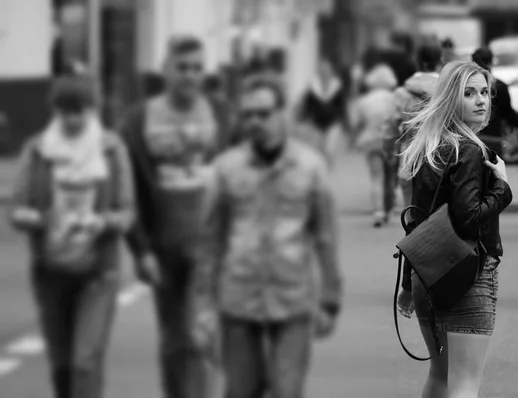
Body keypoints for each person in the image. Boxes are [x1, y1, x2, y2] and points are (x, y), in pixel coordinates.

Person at [198, 76, 343, 398]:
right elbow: (210, 242)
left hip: (292, 298)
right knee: (240, 390)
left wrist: (330, 301)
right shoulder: (226, 169)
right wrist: (203, 309)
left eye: (263, 113)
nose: (254, 122)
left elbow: (325, 237)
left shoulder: (310, 167)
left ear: (283, 114)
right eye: (247, 115)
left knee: (287, 391)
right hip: (238, 298)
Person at [10, 75, 135, 398]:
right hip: (50, 272)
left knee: (85, 362)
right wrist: (42, 219)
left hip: (98, 272)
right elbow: (16, 210)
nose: (72, 119)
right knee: (62, 366)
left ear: (92, 109)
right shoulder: (37, 151)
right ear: (54, 110)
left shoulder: (110, 149)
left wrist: (102, 222)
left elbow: (127, 211)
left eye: (79, 110)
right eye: (65, 111)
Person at [396, 61, 513, 398]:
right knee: (463, 384)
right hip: (467, 275)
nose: (481, 100)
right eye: (469, 93)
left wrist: (407, 283)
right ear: (450, 98)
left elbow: (417, 224)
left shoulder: (429, 146)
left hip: (427, 275)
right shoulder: (470, 150)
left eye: (484, 92)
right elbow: (469, 219)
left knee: (439, 378)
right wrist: (503, 188)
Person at [119, 36, 219, 398]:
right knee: (174, 340)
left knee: (198, 336)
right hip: (164, 248)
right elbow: (127, 191)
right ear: (165, 69)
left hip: (209, 249)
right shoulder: (138, 120)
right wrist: (141, 249)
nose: (190, 76)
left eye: (197, 68)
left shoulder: (219, 113)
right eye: (182, 67)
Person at [393, 40, 443, 214]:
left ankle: (411, 233)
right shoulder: (447, 87)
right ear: (440, 59)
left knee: (409, 198)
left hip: (409, 151)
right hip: (440, 150)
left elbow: (394, 123)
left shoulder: (404, 90)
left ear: (418, 60)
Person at [350, 64, 398, 227]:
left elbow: (356, 123)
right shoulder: (394, 99)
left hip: (370, 140)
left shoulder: (363, 101)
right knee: (390, 177)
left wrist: (354, 139)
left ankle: (377, 212)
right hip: (390, 141)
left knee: (376, 177)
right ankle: (388, 209)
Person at [471, 47, 518, 157]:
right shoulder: (500, 86)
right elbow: (507, 113)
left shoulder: (465, 86)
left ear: (473, 62)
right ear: (491, 62)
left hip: (471, 138)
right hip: (493, 140)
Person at [297, 58, 347, 167]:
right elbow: (307, 104)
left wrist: (344, 121)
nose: (324, 71)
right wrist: (303, 117)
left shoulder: (337, 86)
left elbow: (342, 105)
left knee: (329, 149)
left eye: (327, 68)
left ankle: (327, 168)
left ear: (331, 70)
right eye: (322, 68)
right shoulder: (313, 86)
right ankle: (320, 169)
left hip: (333, 123)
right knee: (317, 149)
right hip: (316, 123)